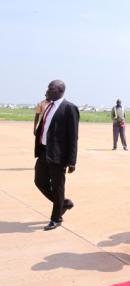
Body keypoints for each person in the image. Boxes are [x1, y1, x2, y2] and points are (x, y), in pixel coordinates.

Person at [34, 80, 79, 231]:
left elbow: (73, 137)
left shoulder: (69, 108)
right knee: (39, 181)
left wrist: (72, 161)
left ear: (59, 90)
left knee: (58, 187)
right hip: (44, 152)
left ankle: (56, 217)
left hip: (59, 155)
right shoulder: (48, 106)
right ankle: (63, 203)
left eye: (50, 88)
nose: (46, 91)